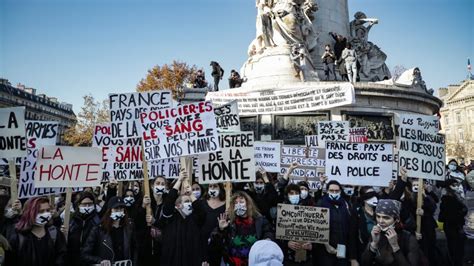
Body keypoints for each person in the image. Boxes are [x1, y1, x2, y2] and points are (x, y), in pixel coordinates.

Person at [158, 172, 206, 266]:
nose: (190, 204)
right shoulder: (170, 218)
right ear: (178, 205)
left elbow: (202, 212)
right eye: (187, 201)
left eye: (190, 202)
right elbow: (169, 202)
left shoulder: (194, 219)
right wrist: (179, 181)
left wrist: (191, 195)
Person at [216, 191, 274, 266]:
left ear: (248, 204)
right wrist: (220, 229)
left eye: (241, 202)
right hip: (232, 263)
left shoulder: (260, 220)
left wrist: (267, 239)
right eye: (235, 203)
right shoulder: (229, 222)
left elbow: (269, 232)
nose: (238, 205)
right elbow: (215, 245)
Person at [6, 197, 66, 266]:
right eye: (41, 211)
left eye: (48, 210)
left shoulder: (55, 233)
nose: (45, 214)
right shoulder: (17, 235)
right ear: (30, 212)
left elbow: (61, 258)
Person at [361, 199, 420, 265]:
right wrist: (374, 244)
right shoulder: (377, 234)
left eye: (386, 218)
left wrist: (395, 247)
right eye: (378, 216)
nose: (380, 221)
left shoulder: (408, 239)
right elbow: (364, 263)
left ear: (396, 219)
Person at [81, 196, 137, 265]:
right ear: (109, 210)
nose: (119, 211)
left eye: (121, 208)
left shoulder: (129, 227)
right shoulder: (98, 229)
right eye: (116, 209)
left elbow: (134, 249)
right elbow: (85, 254)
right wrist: (100, 261)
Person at [314, 180, 357, 266]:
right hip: (325, 251)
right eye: (331, 190)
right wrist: (326, 245)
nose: (334, 192)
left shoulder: (346, 205)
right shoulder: (321, 203)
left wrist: (353, 257)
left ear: (340, 191)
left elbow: (351, 231)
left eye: (337, 191)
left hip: (343, 249)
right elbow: (317, 227)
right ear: (327, 191)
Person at [281, 183, 313, 265]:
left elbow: (315, 230)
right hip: (288, 256)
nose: (294, 195)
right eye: (291, 193)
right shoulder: (281, 211)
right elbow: (277, 232)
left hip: (305, 255)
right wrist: (287, 243)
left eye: (296, 193)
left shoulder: (308, 209)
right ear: (287, 195)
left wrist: (311, 244)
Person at [438, 178, 468, 266]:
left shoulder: (454, 197)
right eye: (455, 185)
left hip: (455, 227)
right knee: (455, 249)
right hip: (452, 228)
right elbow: (444, 217)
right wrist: (461, 213)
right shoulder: (447, 200)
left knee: (456, 248)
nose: (457, 187)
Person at [66, 191, 101, 266]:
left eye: (90, 204)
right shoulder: (71, 220)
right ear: (78, 204)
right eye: (84, 204)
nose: (87, 206)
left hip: (91, 259)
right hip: (73, 259)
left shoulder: (98, 220)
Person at [201, 183, 226, 266]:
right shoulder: (202, 202)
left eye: (215, 186)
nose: (212, 188)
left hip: (219, 243)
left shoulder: (227, 204)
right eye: (210, 186)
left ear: (220, 188)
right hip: (203, 243)